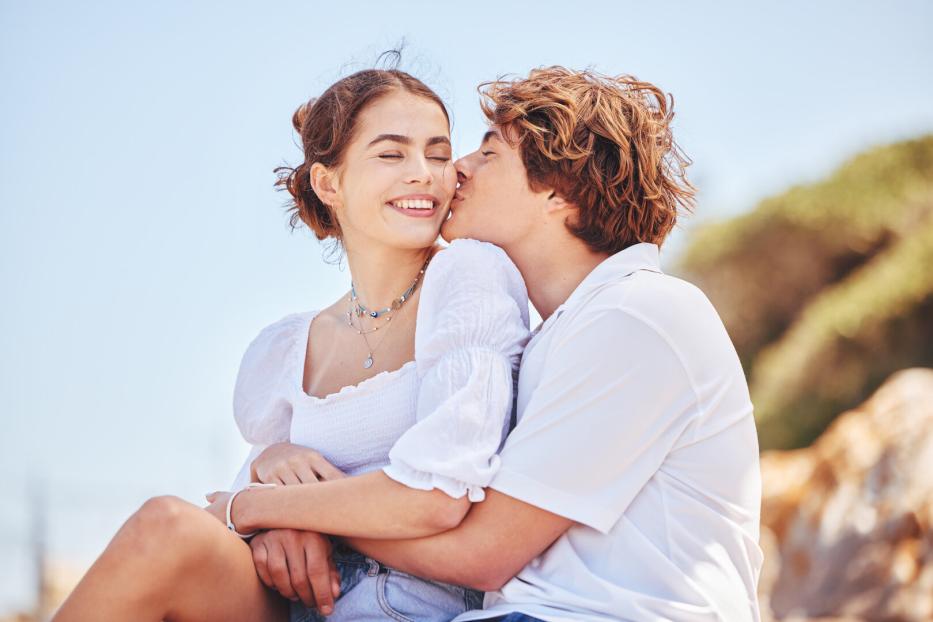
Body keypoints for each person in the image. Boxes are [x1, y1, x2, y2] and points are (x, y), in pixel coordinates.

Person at [269, 67, 764, 622]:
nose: (455, 170)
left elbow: (479, 553)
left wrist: (288, 512)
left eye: (488, 154)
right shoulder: (556, 334)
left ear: (558, 190)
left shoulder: (637, 315)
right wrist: (282, 467)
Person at [52, 65, 530, 622]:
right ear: (329, 183)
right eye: (391, 154)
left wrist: (266, 507)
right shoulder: (286, 348)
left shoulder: (469, 277)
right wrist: (271, 496)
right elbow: (234, 520)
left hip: (403, 603)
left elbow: (437, 498)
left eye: (438, 153)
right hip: (291, 598)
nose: (424, 174)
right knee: (165, 527)